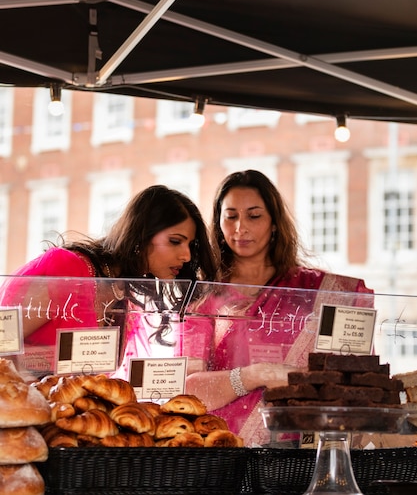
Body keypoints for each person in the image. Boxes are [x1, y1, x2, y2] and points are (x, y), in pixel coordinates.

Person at [181, 170, 373, 446]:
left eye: (254, 216)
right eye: (231, 216)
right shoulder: (205, 297)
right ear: (218, 222)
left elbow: (355, 375)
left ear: (274, 222)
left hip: (306, 445)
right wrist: (258, 374)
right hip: (226, 447)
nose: (240, 228)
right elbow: (187, 391)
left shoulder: (312, 290)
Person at [0, 185, 217, 377]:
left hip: (74, 417)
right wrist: (57, 361)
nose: (186, 256)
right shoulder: (71, 269)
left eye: (190, 245)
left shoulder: (123, 293)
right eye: (175, 241)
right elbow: (3, 345)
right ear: (142, 235)